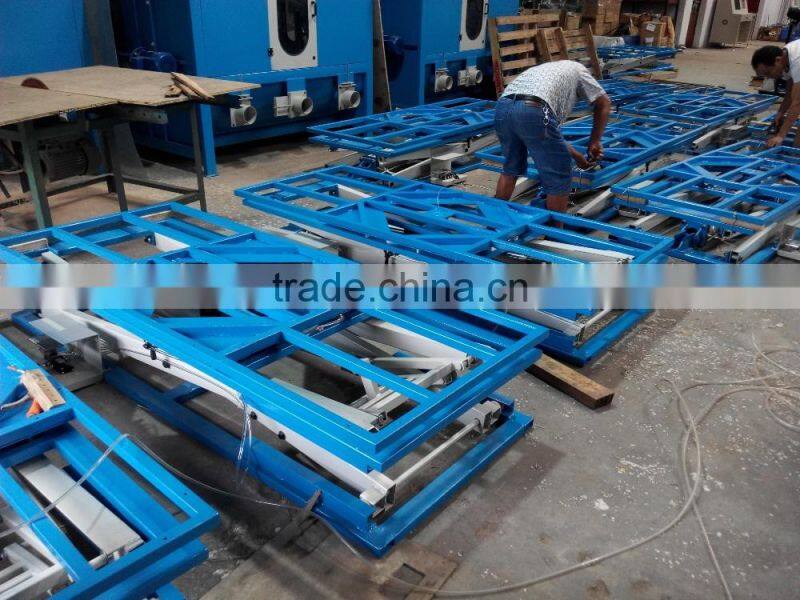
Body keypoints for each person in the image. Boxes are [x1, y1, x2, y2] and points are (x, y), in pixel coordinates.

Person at [493, 60, 611, 212]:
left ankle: (495, 214)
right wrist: (595, 141)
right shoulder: (580, 70)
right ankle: (554, 226)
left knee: (511, 168)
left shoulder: (548, 70)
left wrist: (577, 156)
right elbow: (604, 103)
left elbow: (552, 135)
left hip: (503, 107)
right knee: (559, 175)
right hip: (534, 107)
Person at [751, 44, 800, 148]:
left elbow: (797, 102)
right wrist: (780, 113)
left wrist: (781, 136)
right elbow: (789, 94)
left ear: (778, 60)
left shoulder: (797, 61)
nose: (770, 77)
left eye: (768, 73)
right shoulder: (786, 58)